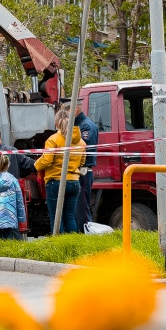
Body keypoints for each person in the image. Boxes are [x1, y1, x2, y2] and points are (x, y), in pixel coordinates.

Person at [34, 109, 85, 234]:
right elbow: (82, 162)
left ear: (56, 124)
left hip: (56, 182)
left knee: (56, 218)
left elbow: (46, 160)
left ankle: (58, 246)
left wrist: (36, 164)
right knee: (70, 216)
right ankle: (72, 246)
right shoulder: (81, 141)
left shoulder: (53, 140)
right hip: (74, 182)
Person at [73, 98, 99, 232]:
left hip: (83, 171)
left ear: (75, 109)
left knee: (82, 209)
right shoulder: (78, 125)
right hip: (78, 172)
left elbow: (84, 151)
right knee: (77, 208)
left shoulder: (86, 126)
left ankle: (84, 233)